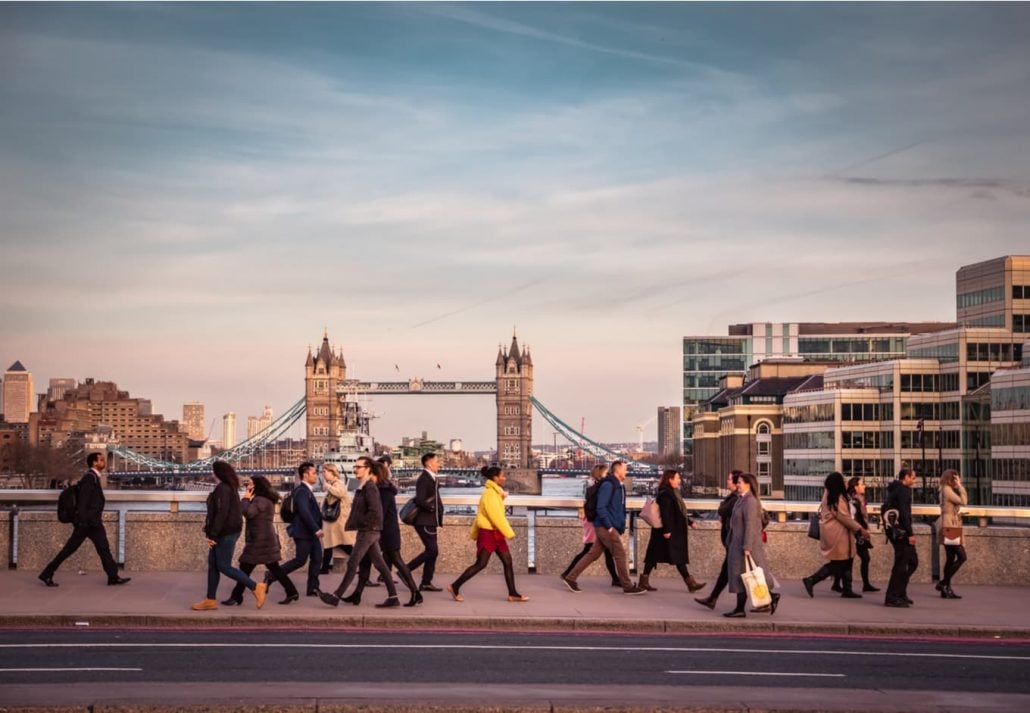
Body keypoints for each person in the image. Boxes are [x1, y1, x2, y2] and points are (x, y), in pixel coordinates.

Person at [318, 456, 404, 608]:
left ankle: (335, 596)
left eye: (358, 467)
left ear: (368, 469)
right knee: (381, 564)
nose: (355, 469)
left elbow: (375, 511)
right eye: (355, 467)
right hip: (368, 530)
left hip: (368, 531)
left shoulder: (370, 487)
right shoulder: (363, 486)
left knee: (352, 562)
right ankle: (393, 596)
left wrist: (361, 523)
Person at [39, 452, 130, 587]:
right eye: (101, 460)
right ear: (94, 463)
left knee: (103, 548)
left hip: (93, 523)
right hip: (87, 523)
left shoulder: (94, 477)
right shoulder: (89, 478)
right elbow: (83, 502)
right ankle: (47, 573)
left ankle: (113, 576)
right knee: (69, 550)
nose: (104, 461)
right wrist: (82, 521)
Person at [561, 461, 646, 595]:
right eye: (625, 469)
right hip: (605, 526)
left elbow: (619, 508)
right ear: (617, 471)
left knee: (593, 554)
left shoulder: (619, 486)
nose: (627, 472)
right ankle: (627, 585)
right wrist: (610, 526)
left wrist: (620, 525)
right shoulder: (608, 485)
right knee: (620, 554)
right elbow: (601, 507)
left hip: (609, 526)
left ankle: (570, 577)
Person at [346, 457, 423, 607]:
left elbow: (377, 513)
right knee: (365, 562)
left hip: (386, 533)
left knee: (397, 562)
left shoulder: (383, 491)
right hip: (378, 531)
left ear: (373, 473)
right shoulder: (379, 489)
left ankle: (415, 592)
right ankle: (357, 594)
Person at [191, 461, 267, 610]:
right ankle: (210, 599)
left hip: (225, 532)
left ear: (218, 473)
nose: (212, 474)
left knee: (224, 566)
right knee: (213, 565)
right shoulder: (228, 487)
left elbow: (222, 513)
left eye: (213, 472)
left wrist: (213, 534)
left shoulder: (223, 488)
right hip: (225, 531)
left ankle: (256, 587)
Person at [448, 466, 528, 602]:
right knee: (481, 564)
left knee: (508, 561)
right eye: (502, 475)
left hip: (496, 533)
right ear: (496, 478)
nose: (505, 478)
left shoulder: (495, 493)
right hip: (488, 533)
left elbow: (494, 511)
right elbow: (495, 516)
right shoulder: (490, 494)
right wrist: (509, 532)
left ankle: (513, 593)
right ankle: (455, 586)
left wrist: (501, 498)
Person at [223, 475, 299, 606]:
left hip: (260, 540)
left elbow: (249, 513)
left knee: (245, 567)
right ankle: (291, 591)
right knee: (273, 568)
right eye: (248, 484)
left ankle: (236, 596)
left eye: (251, 484)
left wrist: (246, 499)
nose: (248, 486)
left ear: (257, 486)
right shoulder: (264, 499)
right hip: (263, 538)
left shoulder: (260, 500)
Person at [802, 472, 869, 599]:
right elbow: (844, 517)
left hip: (839, 533)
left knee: (847, 560)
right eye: (843, 481)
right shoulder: (836, 497)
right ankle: (811, 580)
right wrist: (860, 529)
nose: (846, 483)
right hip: (838, 534)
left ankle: (847, 589)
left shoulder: (833, 495)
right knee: (839, 563)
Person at [638, 469, 705, 593]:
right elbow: (665, 513)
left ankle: (644, 581)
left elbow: (679, 512)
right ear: (670, 479)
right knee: (666, 555)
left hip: (669, 530)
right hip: (667, 531)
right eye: (677, 478)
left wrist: (690, 522)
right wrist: (667, 530)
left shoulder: (673, 492)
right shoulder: (666, 494)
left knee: (663, 555)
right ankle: (690, 583)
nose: (679, 481)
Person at [724, 472, 780, 617]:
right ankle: (745, 607)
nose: (737, 484)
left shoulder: (750, 502)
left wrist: (747, 547)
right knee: (742, 578)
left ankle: (741, 609)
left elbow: (751, 526)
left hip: (744, 546)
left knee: (745, 577)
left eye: (740, 482)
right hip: (737, 544)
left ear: (749, 484)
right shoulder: (741, 499)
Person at [559, 464, 619, 586]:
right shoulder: (600, 488)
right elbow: (600, 507)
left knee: (604, 551)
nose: (609, 475)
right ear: (601, 474)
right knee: (590, 551)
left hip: (592, 521)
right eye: (607, 473)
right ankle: (567, 574)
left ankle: (615, 579)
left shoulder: (593, 487)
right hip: (596, 523)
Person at [274, 461, 324, 597]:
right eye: (314, 473)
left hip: (310, 533)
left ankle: (312, 588)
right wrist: (316, 529)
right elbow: (304, 512)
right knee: (300, 560)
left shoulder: (306, 490)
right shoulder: (302, 491)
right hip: (304, 532)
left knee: (317, 558)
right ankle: (272, 575)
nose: (316, 476)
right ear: (305, 475)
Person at [695, 470, 741, 609]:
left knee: (738, 572)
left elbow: (722, 510)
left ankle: (769, 596)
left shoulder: (736, 498)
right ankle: (712, 598)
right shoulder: (734, 497)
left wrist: (722, 509)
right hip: (731, 540)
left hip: (735, 541)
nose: (727, 481)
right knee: (729, 571)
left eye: (729, 479)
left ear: (737, 483)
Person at [405, 452, 444, 592]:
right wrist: (432, 508)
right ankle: (406, 570)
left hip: (430, 521)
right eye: (436, 461)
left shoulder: (431, 478)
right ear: (428, 463)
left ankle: (426, 582)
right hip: (425, 521)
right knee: (432, 550)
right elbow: (420, 499)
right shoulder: (424, 479)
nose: (439, 464)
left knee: (432, 552)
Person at [833, 477, 878, 593]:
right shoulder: (852, 500)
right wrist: (862, 530)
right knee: (852, 559)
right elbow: (854, 518)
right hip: (856, 533)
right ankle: (846, 585)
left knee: (850, 559)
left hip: (858, 532)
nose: (864, 486)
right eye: (862, 484)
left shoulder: (860, 499)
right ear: (855, 487)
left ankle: (838, 583)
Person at [884, 467, 919, 608]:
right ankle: (892, 597)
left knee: (912, 561)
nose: (914, 480)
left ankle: (900, 592)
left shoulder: (894, 489)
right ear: (906, 477)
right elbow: (904, 514)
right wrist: (910, 533)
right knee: (901, 565)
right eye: (913, 477)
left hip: (895, 532)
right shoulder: (903, 490)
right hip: (902, 533)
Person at [937, 469, 968, 599]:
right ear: (951, 479)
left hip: (948, 524)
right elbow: (964, 501)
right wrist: (960, 486)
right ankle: (943, 583)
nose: (957, 481)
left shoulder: (944, 489)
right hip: (950, 526)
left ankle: (946, 589)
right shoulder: (947, 490)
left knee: (950, 558)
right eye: (956, 479)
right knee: (962, 557)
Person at [320, 462, 355, 574]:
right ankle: (325, 567)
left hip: (338, 521)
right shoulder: (334, 483)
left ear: (331, 472)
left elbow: (340, 493)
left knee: (343, 544)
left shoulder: (338, 483)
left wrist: (328, 486)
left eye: (325, 471)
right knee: (330, 544)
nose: (323, 474)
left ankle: (361, 561)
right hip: (334, 522)